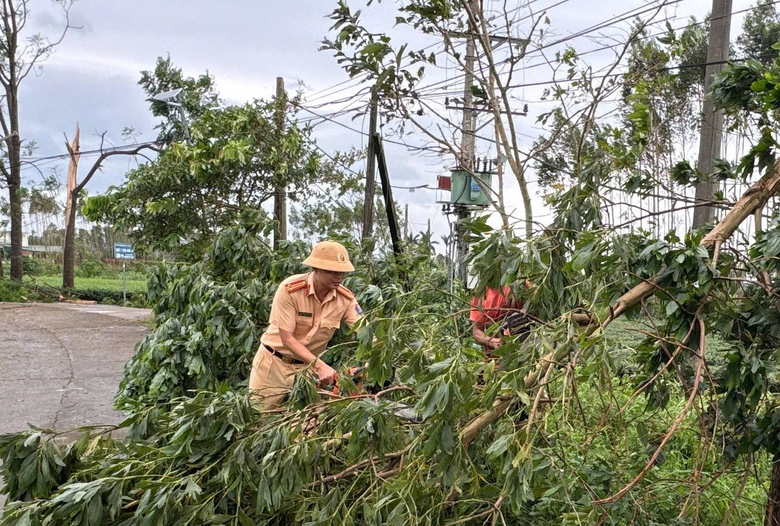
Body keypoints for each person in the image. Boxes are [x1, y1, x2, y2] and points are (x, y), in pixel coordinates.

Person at [249, 240, 363, 409]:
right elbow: (287, 338)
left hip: (307, 369)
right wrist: (321, 366)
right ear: (316, 268)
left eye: (342, 272)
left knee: (307, 421)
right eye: (333, 271)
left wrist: (373, 361)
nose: (339, 276)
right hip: (273, 365)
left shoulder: (345, 299)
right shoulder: (290, 290)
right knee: (260, 416)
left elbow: (365, 331)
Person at [470, 281, 530, 353]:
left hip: (524, 348)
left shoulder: (521, 284)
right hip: (495, 354)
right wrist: (492, 342)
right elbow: (477, 332)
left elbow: (536, 309)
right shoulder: (480, 293)